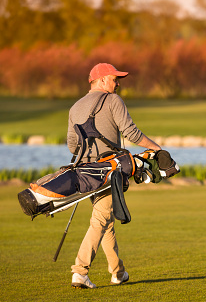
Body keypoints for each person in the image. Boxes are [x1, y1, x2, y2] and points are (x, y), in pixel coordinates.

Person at [67, 63, 161, 289]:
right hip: (109, 170)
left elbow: (72, 146)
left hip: (86, 172)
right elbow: (131, 133)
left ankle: (118, 272)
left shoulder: (75, 107)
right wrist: (157, 149)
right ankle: (80, 272)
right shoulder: (113, 100)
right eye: (114, 79)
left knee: (106, 220)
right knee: (100, 219)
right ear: (100, 81)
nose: (118, 83)